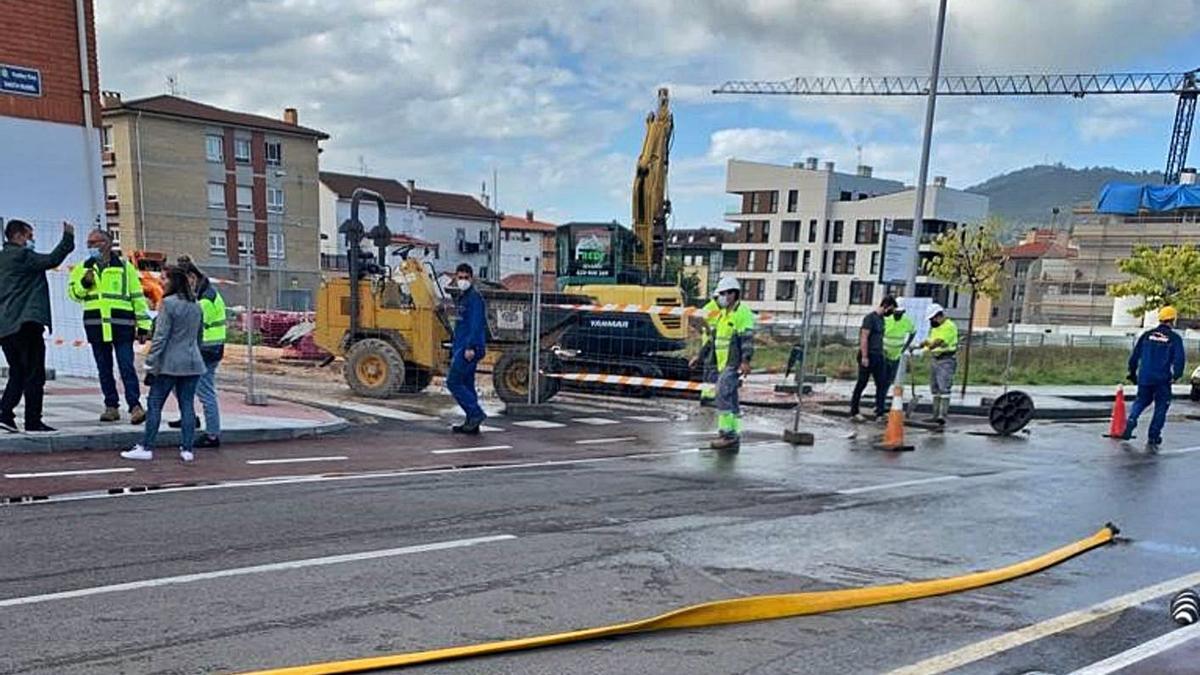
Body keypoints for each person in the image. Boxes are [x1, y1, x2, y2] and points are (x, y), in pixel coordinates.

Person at [120, 265, 205, 462]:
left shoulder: (167, 303)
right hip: (192, 362)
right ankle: (187, 449)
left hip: (169, 363)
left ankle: (147, 446)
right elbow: (199, 336)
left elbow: (160, 337)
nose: (161, 282)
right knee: (187, 406)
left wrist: (150, 362)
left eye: (165, 279)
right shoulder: (196, 305)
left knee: (155, 403)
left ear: (173, 282)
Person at [67, 229, 151, 424]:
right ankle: (111, 406)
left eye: (95, 242)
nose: (91, 246)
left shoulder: (124, 267)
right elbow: (73, 294)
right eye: (88, 243)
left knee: (126, 366)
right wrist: (83, 284)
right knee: (104, 368)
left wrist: (144, 326)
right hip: (96, 326)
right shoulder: (82, 268)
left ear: (108, 243)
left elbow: (137, 297)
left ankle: (135, 406)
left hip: (121, 325)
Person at [0, 220, 75, 433]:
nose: (32, 241)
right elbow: (51, 259)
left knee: (17, 372)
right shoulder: (22, 256)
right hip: (26, 323)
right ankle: (33, 420)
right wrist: (68, 239)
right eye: (30, 236)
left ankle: (5, 413)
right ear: (18, 236)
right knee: (34, 373)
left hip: (5, 327)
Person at [168, 257, 225, 448]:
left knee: (204, 390)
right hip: (203, 349)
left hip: (207, 350)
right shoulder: (201, 293)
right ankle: (190, 417)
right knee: (178, 383)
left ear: (192, 277)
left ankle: (212, 434)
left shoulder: (206, 298)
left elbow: (191, 322)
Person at [1119, 306, 1185, 452]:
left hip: (1145, 376)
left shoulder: (1147, 335)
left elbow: (1135, 356)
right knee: (1161, 406)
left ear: (1160, 318)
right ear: (1172, 320)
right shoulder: (1174, 338)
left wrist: (1132, 373)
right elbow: (1179, 359)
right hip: (1162, 379)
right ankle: (1153, 436)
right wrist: (1176, 375)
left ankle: (1131, 420)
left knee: (1141, 401)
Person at [710, 276, 756, 451]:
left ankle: (727, 434)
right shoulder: (724, 314)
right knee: (732, 398)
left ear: (733, 294)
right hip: (724, 364)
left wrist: (745, 361)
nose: (720, 298)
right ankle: (734, 433)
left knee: (722, 395)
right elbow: (715, 339)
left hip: (733, 363)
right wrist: (700, 356)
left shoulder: (742, 312)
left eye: (723, 294)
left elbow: (747, 339)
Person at [447, 263, 487, 434]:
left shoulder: (474, 298)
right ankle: (472, 422)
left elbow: (476, 324)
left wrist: (470, 346)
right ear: (455, 278)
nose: (463, 280)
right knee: (467, 383)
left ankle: (475, 413)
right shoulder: (464, 297)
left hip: (469, 348)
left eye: (466, 278)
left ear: (472, 278)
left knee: (453, 382)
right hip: (462, 346)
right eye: (460, 277)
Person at [849, 296, 897, 422]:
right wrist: (864, 356)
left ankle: (880, 413)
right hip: (868, 354)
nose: (891, 312)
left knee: (881, 383)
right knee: (862, 383)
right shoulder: (870, 318)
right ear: (886, 306)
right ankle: (854, 412)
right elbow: (864, 337)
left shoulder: (882, 319)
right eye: (891, 309)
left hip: (878, 355)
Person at [914, 303, 958, 424]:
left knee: (944, 388)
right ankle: (935, 415)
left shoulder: (949, 326)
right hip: (936, 359)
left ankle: (942, 416)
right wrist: (920, 346)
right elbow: (931, 340)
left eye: (932, 319)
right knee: (935, 387)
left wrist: (925, 348)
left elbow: (937, 342)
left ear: (938, 316)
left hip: (946, 360)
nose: (931, 321)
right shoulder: (936, 327)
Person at [690, 291, 720, 407]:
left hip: (715, 343)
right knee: (711, 370)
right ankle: (708, 397)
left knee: (710, 370)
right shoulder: (710, 307)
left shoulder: (718, 308)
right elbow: (696, 319)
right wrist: (706, 330)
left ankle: (707, 396)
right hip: (710, 343)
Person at [883, 297, 917, 389]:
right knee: (882, 378)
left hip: (896, 355)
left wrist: (906, 346)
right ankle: (881, 397)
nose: (899, 315)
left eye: (901, 313)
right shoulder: (886, 320)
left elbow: (913, 332)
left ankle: (883, 395)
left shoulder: (906, 321)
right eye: (897, 313)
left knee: (890, 379)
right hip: (885, 354)